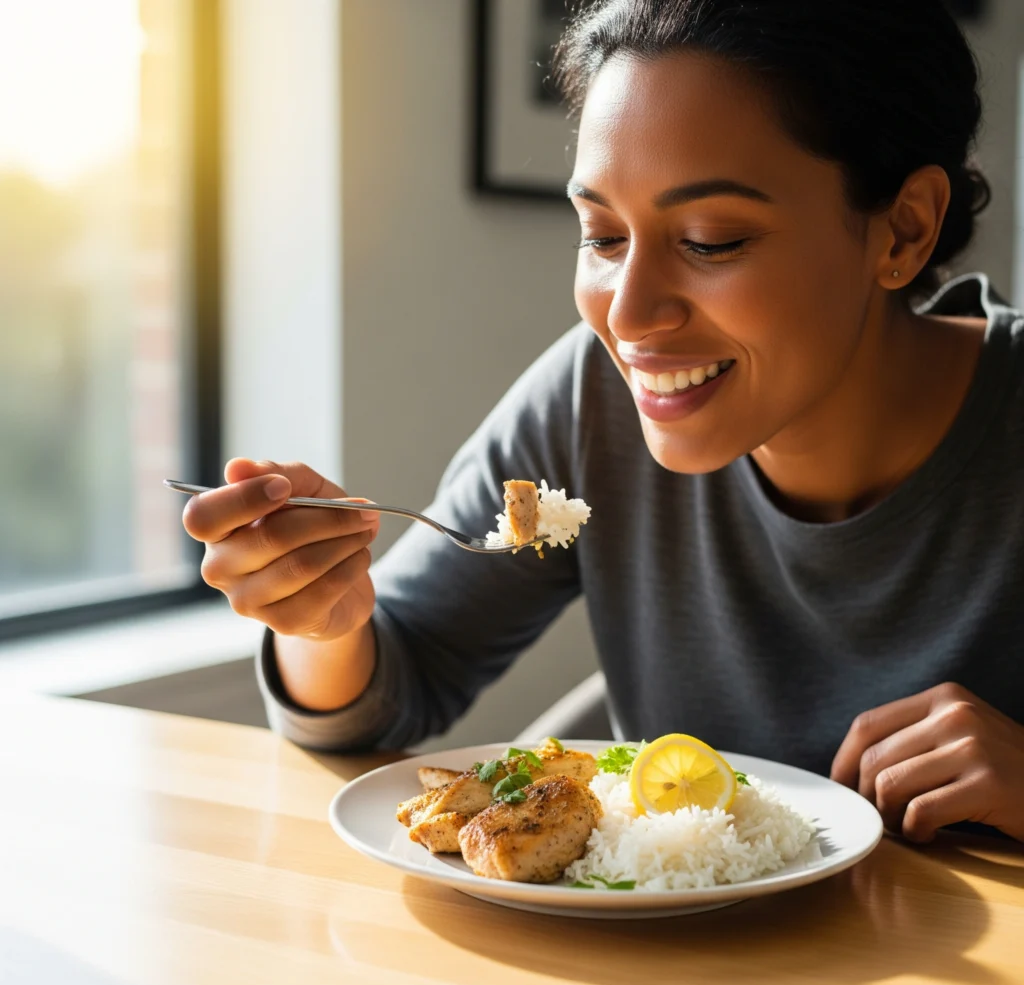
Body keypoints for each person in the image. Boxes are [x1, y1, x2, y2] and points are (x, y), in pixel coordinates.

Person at [182, 0, 1024, 843]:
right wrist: (322, 617)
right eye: (603, 235)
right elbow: (390, 680)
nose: (628, 315)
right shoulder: (596, 400)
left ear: (905, 229)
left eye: (712, 239)